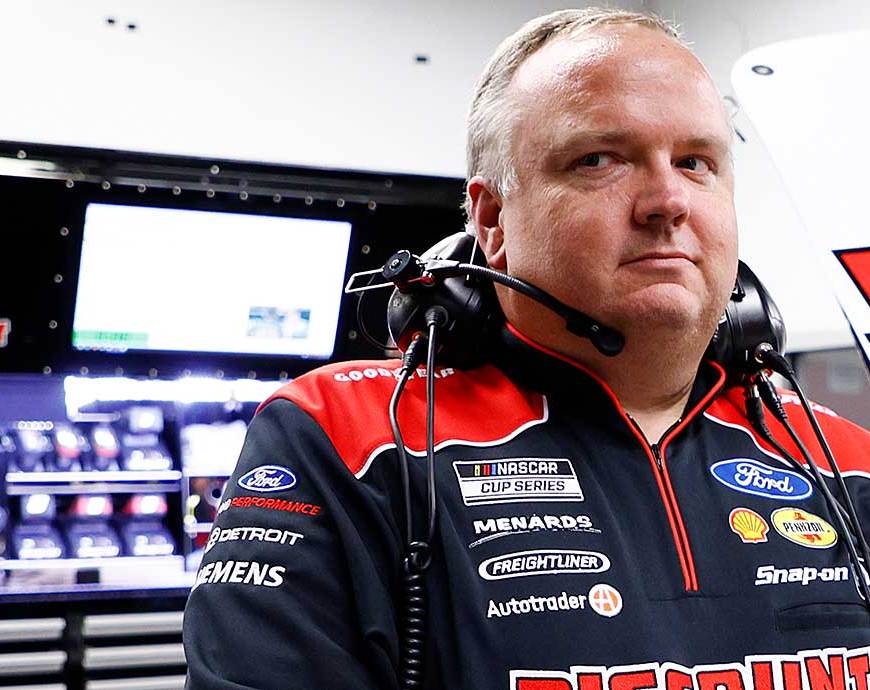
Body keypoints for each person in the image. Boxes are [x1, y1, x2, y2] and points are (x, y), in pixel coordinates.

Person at [183, 8, 870, 689]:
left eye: (696, 163)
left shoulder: (846, 459)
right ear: (492, 219)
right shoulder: (341, 435)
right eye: (599, 160)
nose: (667, 200)